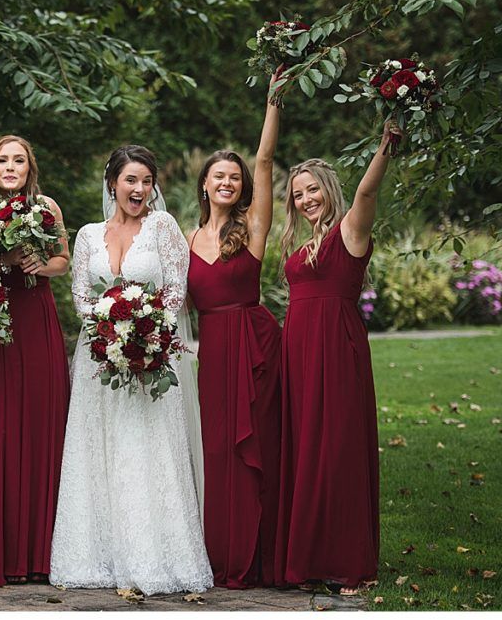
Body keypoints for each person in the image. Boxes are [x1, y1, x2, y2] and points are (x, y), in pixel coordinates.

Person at [49, 145, 212, 595]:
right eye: (130, 181)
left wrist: (144, 333)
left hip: (153, 355)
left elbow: (177, 291)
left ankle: (156, 556)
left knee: (147, 447)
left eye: (146, 181)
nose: (139, 190)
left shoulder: (162, 227)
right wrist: (108, 332)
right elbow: (81, 296)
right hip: (97, 357)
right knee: (99, 448)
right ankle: (94, 555)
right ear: (112, 184)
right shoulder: (86, 235)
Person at [276, 118, 401, 595]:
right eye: (298, 194)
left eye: (313, 191)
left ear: (329, 190)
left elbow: (367, 194)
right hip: (300, 351)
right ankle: (310, 557)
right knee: (308, 450)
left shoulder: (350, 230)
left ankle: (350, 563)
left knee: (340, 449)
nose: (306, 200)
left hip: (337, 347)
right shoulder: (302, 243)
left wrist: (385, 146)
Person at [186, 71, 283, 588]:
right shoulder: (184, 238)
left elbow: (265, 160)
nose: (227, 182)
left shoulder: (254, 227)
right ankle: (218, 553)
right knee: (217, 452)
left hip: (254, 344)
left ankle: (259, 557)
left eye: (235, 177)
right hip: (212, 354)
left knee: (256, 451)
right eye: (218, 176)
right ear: (204, 183)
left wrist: (274, 97)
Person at [0, 135, 71, 586]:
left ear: (30, 166)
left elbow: (63, 259)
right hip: (3, 322)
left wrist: (40, 265)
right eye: (3, 159)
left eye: (19, 160)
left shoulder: (47, 205)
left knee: (43, 421)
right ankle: (4, 550)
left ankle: (44, 552)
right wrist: (4, 259)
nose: (9, 167)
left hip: (39, 317)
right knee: (3, 424)